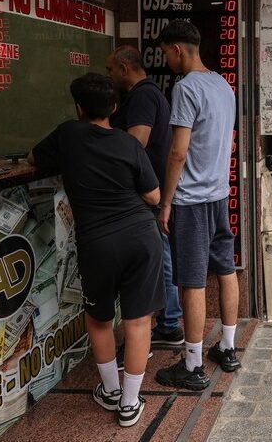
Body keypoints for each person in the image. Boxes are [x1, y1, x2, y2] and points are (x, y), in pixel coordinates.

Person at [29, 73, 164, 427]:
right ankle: (130, 404)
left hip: (98, 243)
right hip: (141, 236)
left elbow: (34, 159)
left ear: (78, 108)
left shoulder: (68, 135)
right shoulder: (128, 143)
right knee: (138, 320)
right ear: (115, 108)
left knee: (100, 317)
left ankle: (110, 391)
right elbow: (154, 196)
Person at [154, 20, 241, 391]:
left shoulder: (186, 88)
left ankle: (192, 366)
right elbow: (227, 141)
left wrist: (166, 203)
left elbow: (178, 151)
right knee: (225, 269)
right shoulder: (223, 85)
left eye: (165, 54)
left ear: (177, 49)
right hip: (220, 193)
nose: (167, 61)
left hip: (191, 199)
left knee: (191, 280)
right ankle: (228, 348)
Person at [105, 46, 182, 354]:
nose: (109, 75)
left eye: (111, 69)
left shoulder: (142, 96)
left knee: (160, 255)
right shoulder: (146, 94)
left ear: (125, 68)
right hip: (149, 187)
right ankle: (169, 321)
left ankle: (169, 324)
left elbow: (137, 141)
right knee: (160, 254)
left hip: (146, 190)